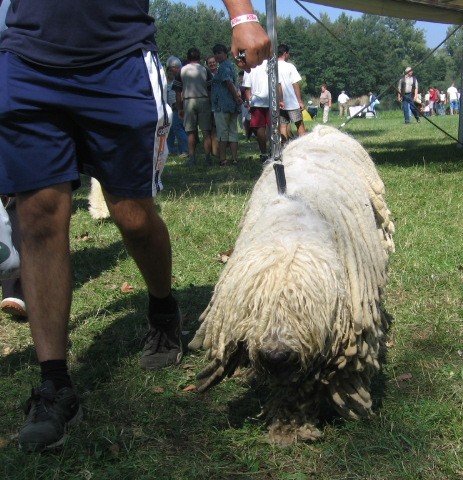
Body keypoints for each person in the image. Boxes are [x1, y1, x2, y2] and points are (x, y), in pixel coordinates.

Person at [0, 0, 270, 453]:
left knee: (133, 215)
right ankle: (55, 386)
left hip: (118, 60)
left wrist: (242, 15)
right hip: (27, 60)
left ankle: (163, 307)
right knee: (39, 216)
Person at [173, 47, 214, 166]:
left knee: (190, 132)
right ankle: (207, 158)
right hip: (204, 100)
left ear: (188, 57)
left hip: (188, 101)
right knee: (206, 131)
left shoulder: (182, 70)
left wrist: (179, 108)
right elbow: (210, 89)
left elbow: (177, 92)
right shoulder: (205, 70)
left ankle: (192, 158)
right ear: (199, 57)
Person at [211, 44, 242, 166]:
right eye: (215, 53)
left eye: (220, 52)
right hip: (232, 105)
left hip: (223, 105)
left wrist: (236, 97)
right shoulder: (231, 66)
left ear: (225, 53)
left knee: (222, 132)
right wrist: (237, 97)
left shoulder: (224, 67)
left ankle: (223, 158)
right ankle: (234, 158)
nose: (217, 55)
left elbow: (228, 83)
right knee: (233, 131)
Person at [277, 44, 306, 143]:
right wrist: (300, 101)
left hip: (279, 102)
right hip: (291, 101)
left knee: (283, 126)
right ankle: (303, 145)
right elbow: (295, 84)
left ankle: (284, 147)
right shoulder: (290, 66)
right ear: (285, 53)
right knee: (299, 124)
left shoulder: (272, 67)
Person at [243, 59, 270, 161]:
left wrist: (249, 103)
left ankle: (264, 153)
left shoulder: (249, 65)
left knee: (260, 128)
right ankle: (275, 150)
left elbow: (247, 88)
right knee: (274, 127)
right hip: (271, 101)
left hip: (256, 101)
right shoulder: (270, 63)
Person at [165, 56, 189, 158]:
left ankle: (185, 149)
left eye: (171, 69)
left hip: (178, 105)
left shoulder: (181, 77)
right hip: (173, 106)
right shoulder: (173, 78)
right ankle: (175, 149)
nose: (170, 71)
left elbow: (181, 93)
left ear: (175, 67)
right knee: (174, 128)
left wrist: (179, 107)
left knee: (177, 127)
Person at [205, 54, 221, 157]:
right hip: (207, 104)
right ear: (207, 65)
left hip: (219, 104)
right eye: (210, 63)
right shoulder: (205, 75)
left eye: (213, 62)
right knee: (209, 128)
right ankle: (210, 151)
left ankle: (215, 151)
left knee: (216, 128)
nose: (212, 64)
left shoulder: (220, 73)